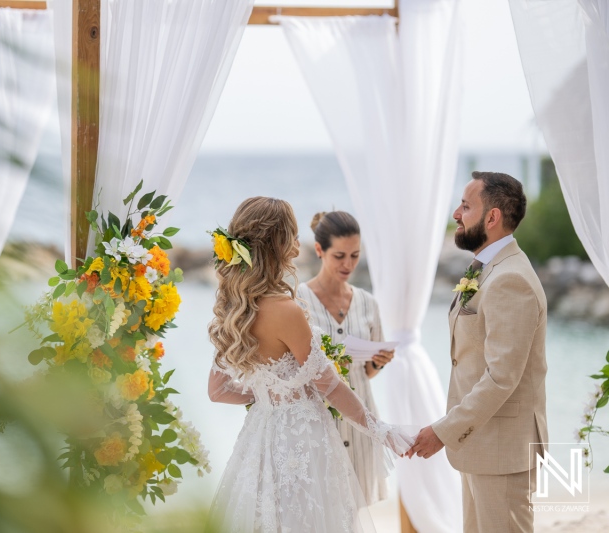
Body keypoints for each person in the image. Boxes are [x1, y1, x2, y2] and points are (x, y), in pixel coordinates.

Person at [206, 197, 415, 532]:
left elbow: (217, 391)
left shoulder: (235, 308)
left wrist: (269, 393)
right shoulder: (286, 310)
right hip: (300, 442)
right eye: (292, 235)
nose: (296, 244)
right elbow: (328, 384)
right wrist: (379, 429)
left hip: (259, 437)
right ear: (278, 243)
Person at [408, 172, 548, 533]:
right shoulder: (487, 269)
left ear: (492, 218)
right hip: (483, 444)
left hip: (502, 450)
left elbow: (502, 378)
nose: (456, 213)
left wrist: (443, 430)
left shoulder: (509, 279)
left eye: (466, 206)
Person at [297, 211, 394, 505]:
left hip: (361, 422)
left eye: (354, 255)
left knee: (357, 512)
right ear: (319, 250)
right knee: (322, 510)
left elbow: (366, 373)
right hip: (318, 424)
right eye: (339, 255)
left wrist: (377, 361)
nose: (348, 264)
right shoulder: (298, 301)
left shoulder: (368, 302)